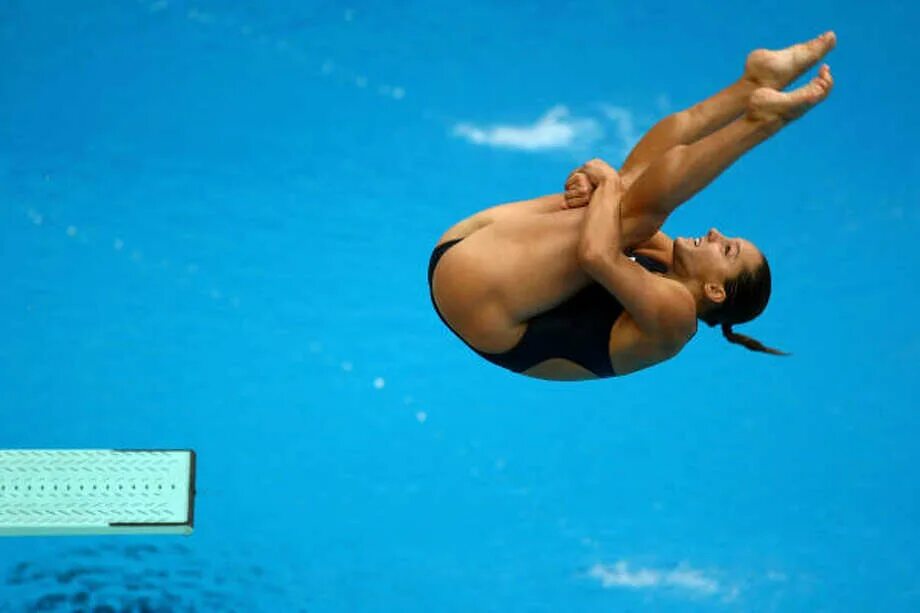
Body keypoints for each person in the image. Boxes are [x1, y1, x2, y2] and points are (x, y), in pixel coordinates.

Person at [428, 32, 837, 381]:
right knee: (631, 189)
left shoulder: (676, 317)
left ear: (714, 290)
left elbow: (596, 255)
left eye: (726, 250)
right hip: (470, 253)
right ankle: (752, 84)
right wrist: (590, 188)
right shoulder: (665, 259)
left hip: (474, 297)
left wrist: (603, 184)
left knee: (633, 209)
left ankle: (761, 123)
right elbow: (633, 192)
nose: (715, 233)